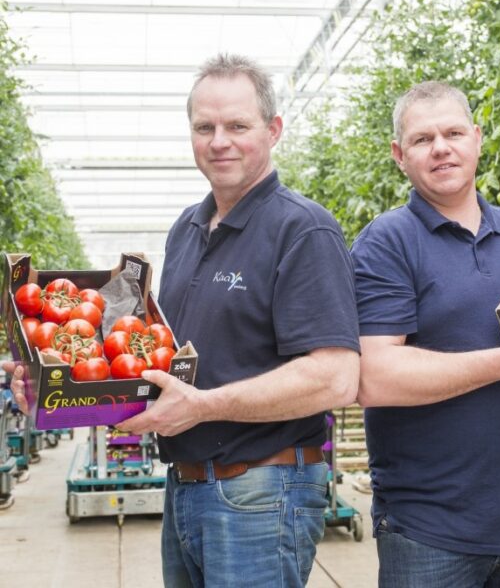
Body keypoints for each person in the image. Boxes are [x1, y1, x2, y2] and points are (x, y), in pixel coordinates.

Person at [3, 53, 360, 587]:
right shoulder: (187, 230)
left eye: (237, 125)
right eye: (204, 127)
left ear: (273, 130)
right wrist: (55, 383)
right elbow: (161, 364)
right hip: (187, 488)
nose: (220, 141)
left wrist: (203, 408)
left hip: (262, 492)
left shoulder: (303, 230)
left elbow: (335, 377)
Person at [349, 81, 500, 588]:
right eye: (422, 139)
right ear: (400, 155)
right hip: (429, 532)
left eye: (454, 132)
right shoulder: (387, 242)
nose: (441, 147)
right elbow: (373, 378)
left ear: (478, 139)